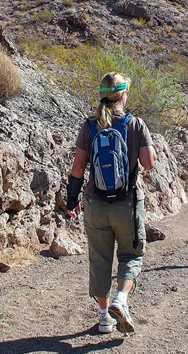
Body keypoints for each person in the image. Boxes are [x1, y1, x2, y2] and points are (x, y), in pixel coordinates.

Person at [66, 72, 157, 334]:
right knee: (131, 254)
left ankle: (105, 317)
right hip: (127, 204)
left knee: (99, 260)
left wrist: (72, 199)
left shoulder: (90, 125)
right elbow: (149, 164)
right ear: (123, 95)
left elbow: (78, 167)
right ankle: (121, 300)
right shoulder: (135, 124)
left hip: (95, 204)